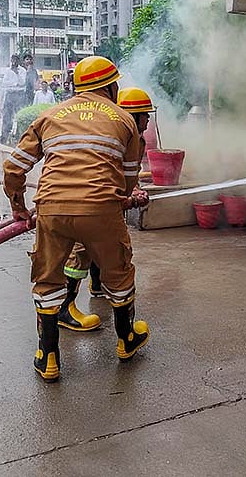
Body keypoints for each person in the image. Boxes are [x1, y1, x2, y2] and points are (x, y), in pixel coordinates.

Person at [2, 56, 150, 382]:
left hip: (51, 209)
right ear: (110, 87)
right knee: (119, 274)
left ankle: (48, 356)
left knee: (47, 280)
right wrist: (122, 198)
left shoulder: (49, 115)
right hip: (101, 209)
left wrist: (18, 206)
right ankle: (126, 340)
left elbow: (13, 168)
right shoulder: (125, 121)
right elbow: (127, 180)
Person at [59, 87, 153, 331]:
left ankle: (98, 285)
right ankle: (63, 307)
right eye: (145, 115)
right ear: (132, 116)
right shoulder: (115, 133)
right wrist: (127, 196)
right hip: (89, 201)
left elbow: (128, 173)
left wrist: (134, 191)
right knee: (81, 250)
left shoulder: (136, 138)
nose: (149, 120)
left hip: (106, 203)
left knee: (103, 242)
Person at [0, 54, 25, 143]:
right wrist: (14, 83)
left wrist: (17, 74)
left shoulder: (22, 70)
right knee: (7, 116)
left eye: (16, 59)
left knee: (19, 115)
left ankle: (19, 135)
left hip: (19, 95)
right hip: (9, 94)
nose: (14, 61)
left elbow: (22, 82)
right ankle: (4, 136)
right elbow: (5, 82)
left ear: (18, 61)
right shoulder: (7, 71)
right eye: (12, 60)